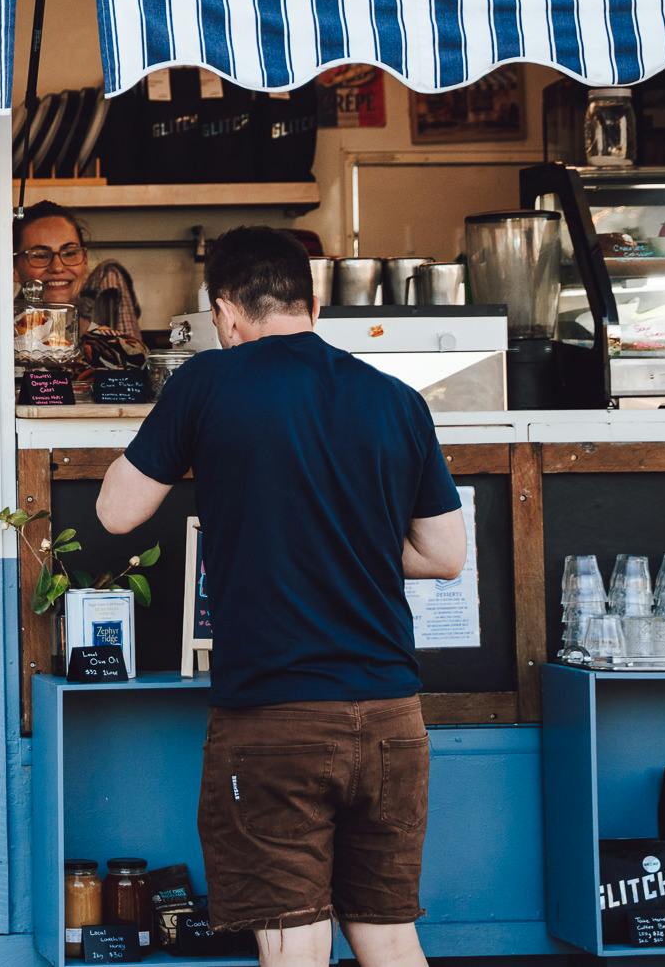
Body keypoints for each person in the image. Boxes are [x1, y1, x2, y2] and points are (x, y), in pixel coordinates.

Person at [93, 226, 466, 967]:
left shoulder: (207, 383)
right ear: (315, 304)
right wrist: (347, 528)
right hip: (393, 718)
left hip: (276, 718)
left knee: (295, 939)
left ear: (226, 313)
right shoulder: (396, 400)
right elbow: (445, 554)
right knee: (389, 934)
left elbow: (116, 512)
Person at [13, 200, 144, 356]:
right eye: (40, 256)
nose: (57, 267)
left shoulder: (124, 353)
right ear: (13, 268)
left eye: (70, 253)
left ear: (85, 260)